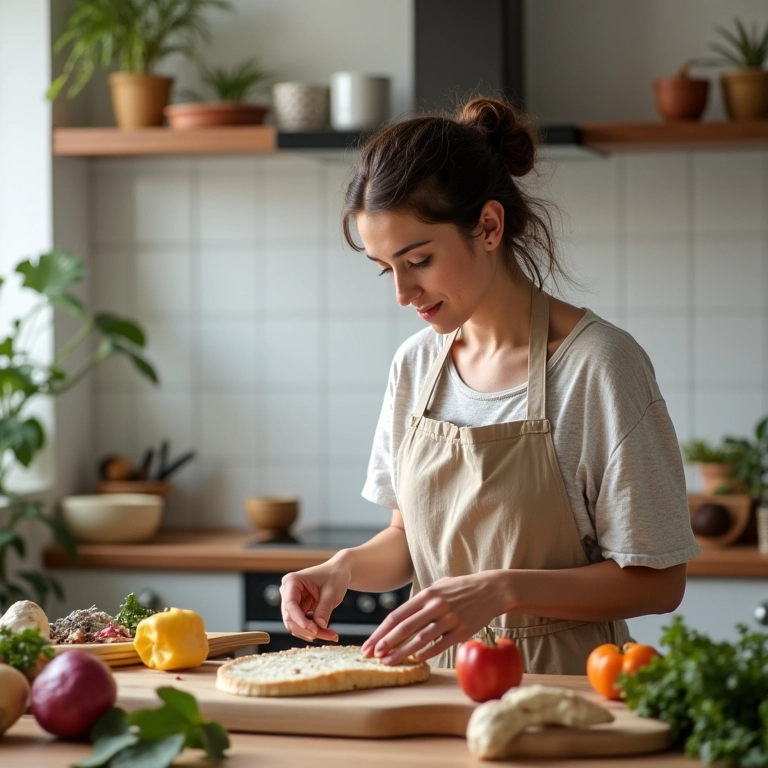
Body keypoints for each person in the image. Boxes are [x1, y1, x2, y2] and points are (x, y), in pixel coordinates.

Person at [279, 96, 701, 675]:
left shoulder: (598, 366)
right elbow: (409, 540)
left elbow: (658, 581)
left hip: (561, 686)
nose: (403, 293)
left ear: (488, 226)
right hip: (432, 681)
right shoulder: (415, 366)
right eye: (386, 269)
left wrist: (503, 590)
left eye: (418, 260)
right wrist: (342, 569)